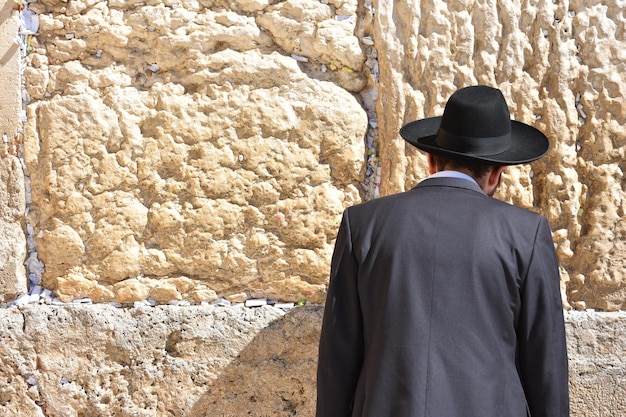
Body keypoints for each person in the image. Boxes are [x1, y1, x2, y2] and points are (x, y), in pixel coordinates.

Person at [316, 85, 569, 417]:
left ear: (430, 159)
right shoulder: (526, 233)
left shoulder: (362, 224)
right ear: (496, 173)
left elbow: (338, 358)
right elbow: (545, 362)